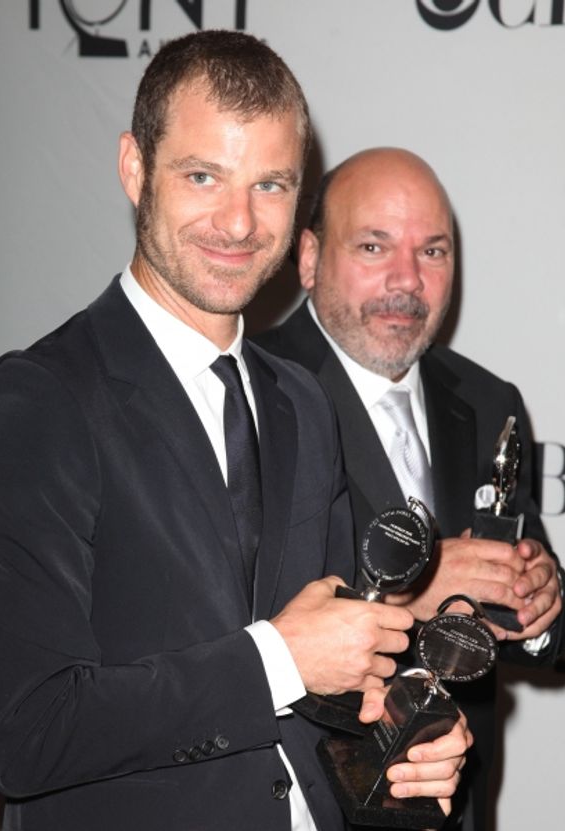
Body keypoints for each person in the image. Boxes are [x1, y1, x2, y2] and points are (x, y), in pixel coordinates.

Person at [0, 36, 470, 831]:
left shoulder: (302, 402)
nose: (238, 221)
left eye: (270, 184)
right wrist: (276, 657)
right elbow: (25, 731)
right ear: (135, 168)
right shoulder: (39, 402)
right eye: (204, 176)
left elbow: (333, 668)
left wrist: (406, 731)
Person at [256, 147, 564, 830]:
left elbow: (532, 607)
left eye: (433, 251)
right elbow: (222, 619)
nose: (407, 280)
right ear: (308, 258)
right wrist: (404, 590)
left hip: (456, 809)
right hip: (306, 803)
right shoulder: (252, 390)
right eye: (374, 246)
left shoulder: (487, 400)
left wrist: (541, 605)